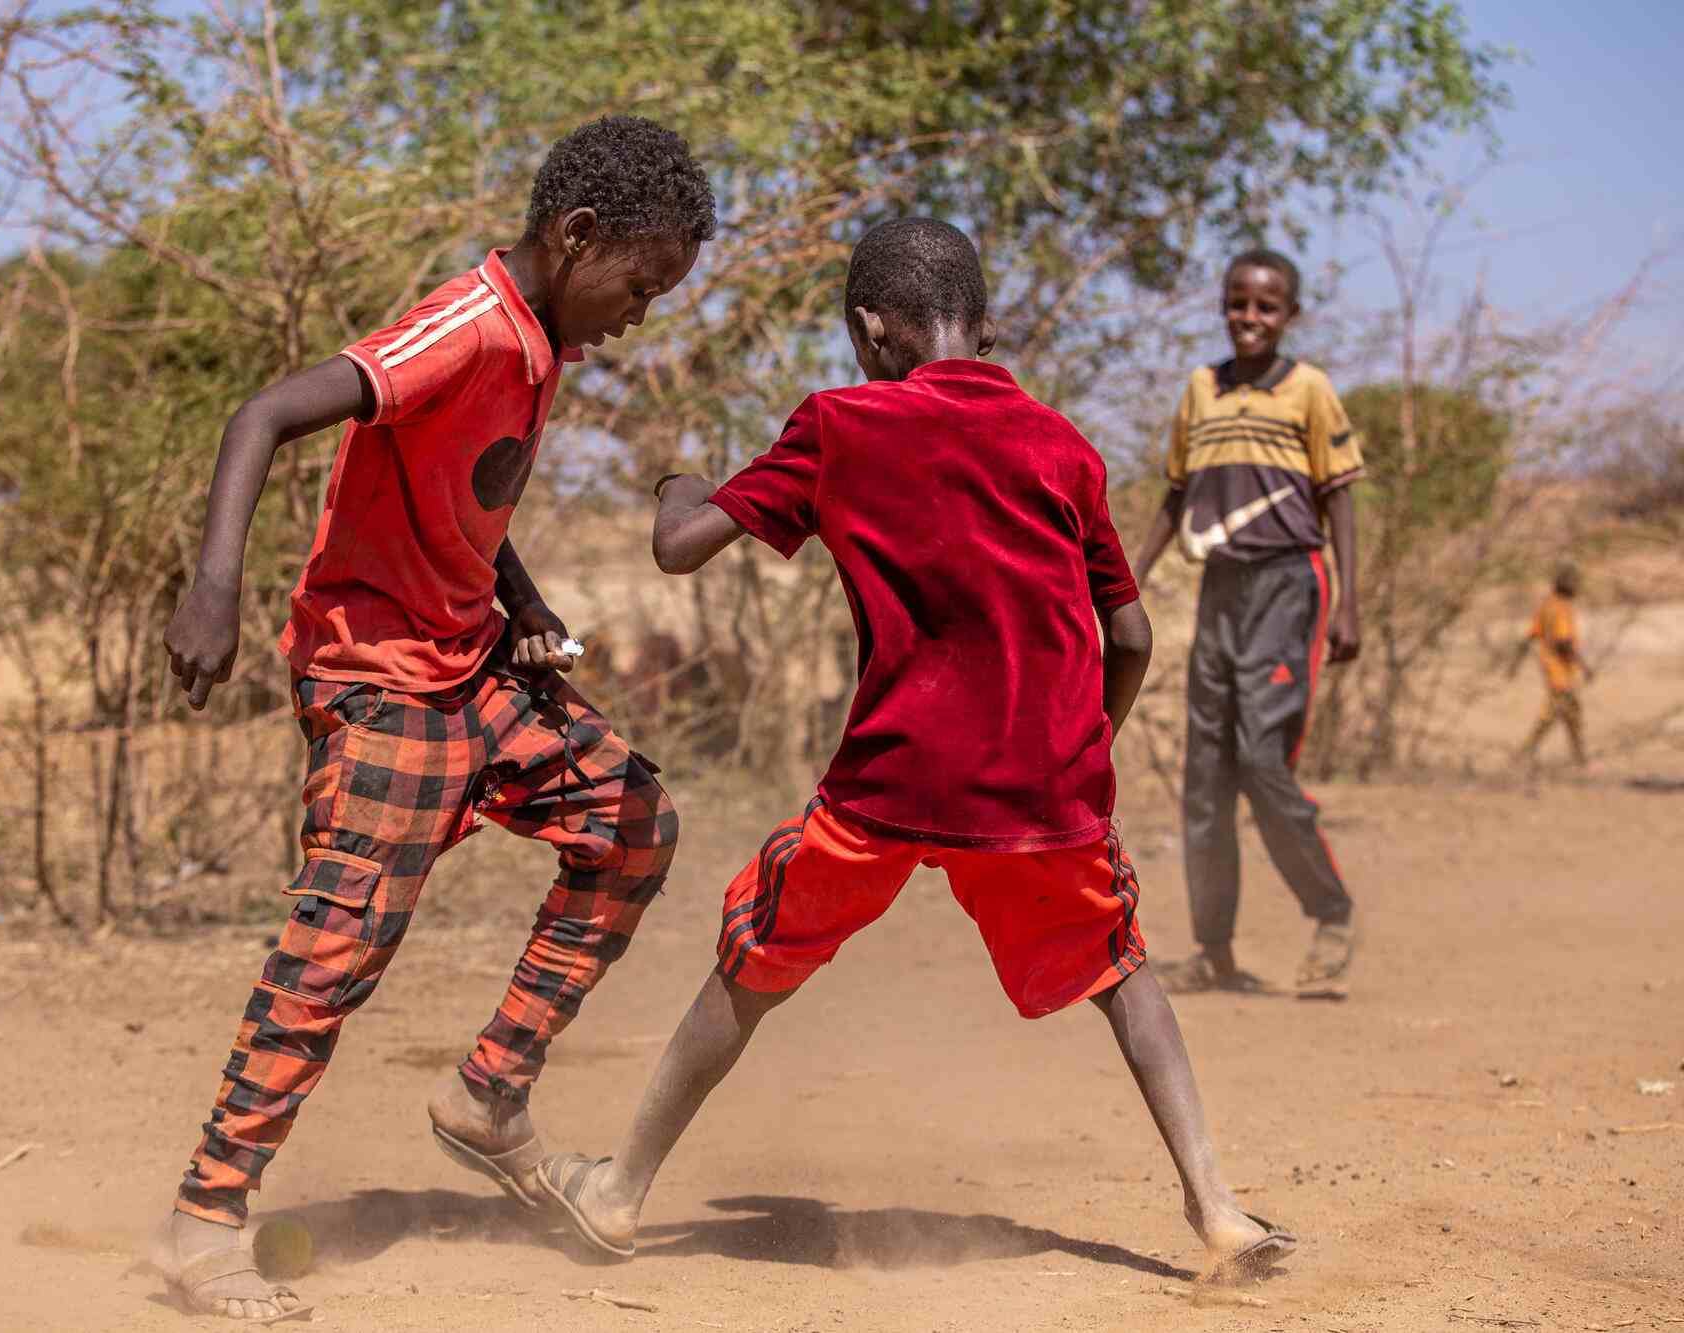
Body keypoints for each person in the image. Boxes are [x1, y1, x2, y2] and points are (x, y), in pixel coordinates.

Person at [531, 218, 1295, 1283]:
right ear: (984, 330)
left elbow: (677, 548)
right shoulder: (1062, 446)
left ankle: (616, 1192)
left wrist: (676, 482)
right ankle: (1213, 1208)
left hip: (888, 782)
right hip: (1041, 789)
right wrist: (1076, 751)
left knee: (753, 958)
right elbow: (1129, 634)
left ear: (867, 330)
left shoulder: (840, 425)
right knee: (1122, 973)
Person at [152, 115, 715, 1322]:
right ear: (575, 237)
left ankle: (487, 1094)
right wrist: (211, 587)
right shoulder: (466, 326)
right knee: (336, 948)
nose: (641, 311)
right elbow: (261, 413)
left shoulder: (538, 340)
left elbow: (464, 504)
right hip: (380, 681)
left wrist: (524, 603)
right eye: (641, 281)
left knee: (632, 825)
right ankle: (203, 1219)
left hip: (469, 672)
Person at [1130, 249, 1363, 995]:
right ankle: (1215, 951)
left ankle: (1331, 911)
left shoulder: (1309, 390)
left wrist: (1348, 601)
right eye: (1238, 303)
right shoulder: (1201, 389)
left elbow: (1341, 497)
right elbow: (1176, 495)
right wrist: (1127, 582)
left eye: (1266, 307)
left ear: (1289, 314)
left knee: (1262, 760)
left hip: (1287, 586)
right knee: (1206, 779)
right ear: (1224, 307)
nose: (1250, 318)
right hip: (1219, 592)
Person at [1509, 563, 1593, 768]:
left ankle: (1580, 757)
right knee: (1554, 713)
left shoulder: (1546, 605)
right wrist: (1584, 666)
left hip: (1549, 667)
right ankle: (1524, 753)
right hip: (1559, 671)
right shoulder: (1562, 609)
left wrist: (1514, 664)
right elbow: (1563, 642)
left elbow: (1530, 636)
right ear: (1567, 585)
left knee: (1571, 712)